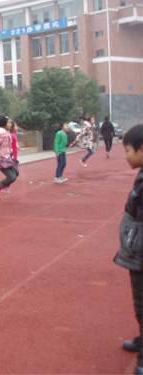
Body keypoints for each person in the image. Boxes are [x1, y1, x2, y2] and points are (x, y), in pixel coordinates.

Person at [113, 124, 143, 375]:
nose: (125, 155)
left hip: (141, 254)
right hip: (137, 252)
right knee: (140, 305)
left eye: (128, 150)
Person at [2, 122, 21, 194]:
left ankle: (5, 186)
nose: (17, 128)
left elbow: (14, 144)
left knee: (16, 173)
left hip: (14, 159)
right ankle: (3, 186)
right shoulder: (10, 136)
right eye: (15, 126)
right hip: (10, 158)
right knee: (14, 174)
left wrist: (17, 147)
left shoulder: (14, 135)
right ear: (11, 128)